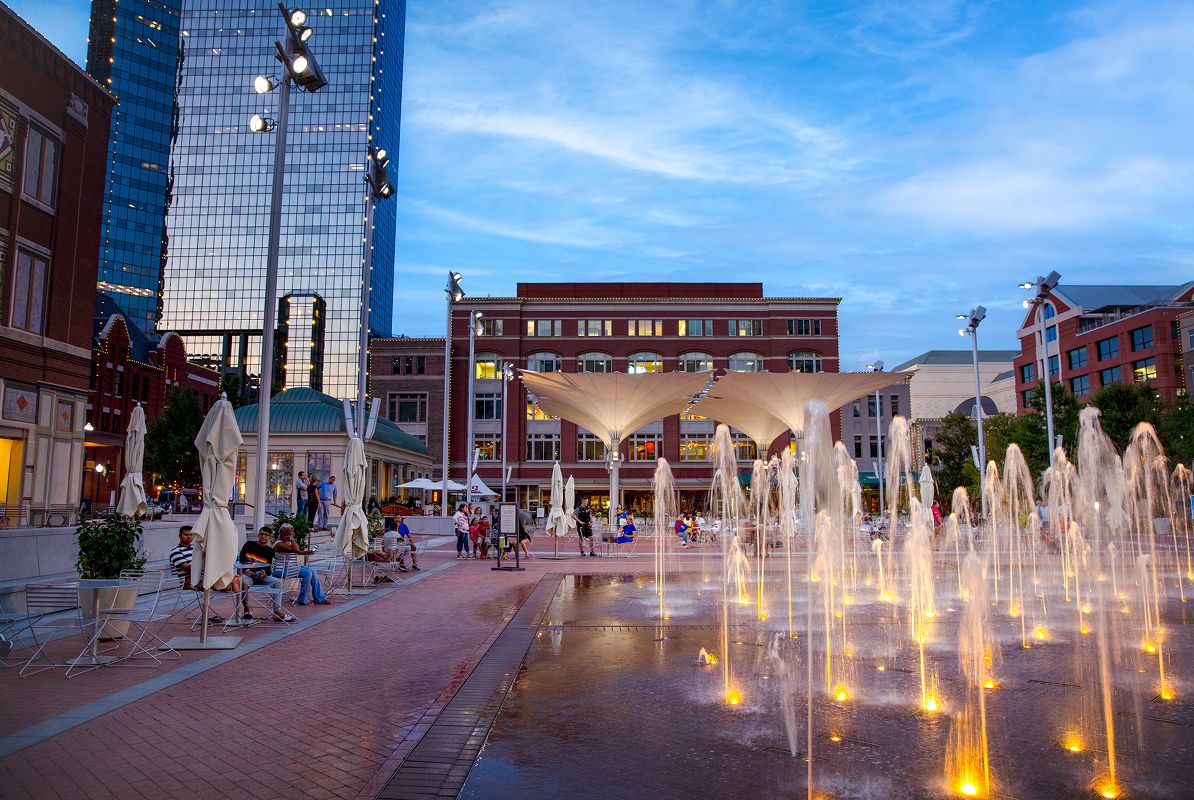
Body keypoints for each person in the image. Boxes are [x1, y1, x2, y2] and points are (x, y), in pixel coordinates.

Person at [238, 527, 293, 622]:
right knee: (243, 582)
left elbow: (268, 569)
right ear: (258, 535)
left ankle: (277, 611)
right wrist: (246, 570)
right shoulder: (249, 545)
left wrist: (264, 574)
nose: (263, 536)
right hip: (248, 575)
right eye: (261, 534)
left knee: (277, 582)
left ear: (270, 537)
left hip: (261, 576)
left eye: (266, 535)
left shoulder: (270, 551)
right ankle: (247, 608)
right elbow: (241, 560)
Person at [273, 523, 328, 605]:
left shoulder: (287, 542)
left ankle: (319, 598)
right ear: (282, 533)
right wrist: (291, 539)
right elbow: (296, 550)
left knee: (313, 571)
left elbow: (297, 551)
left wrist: (305, 552)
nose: (291, 535)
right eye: (289, 533)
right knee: (307, 573)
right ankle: (302, 599)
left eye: (291, 533)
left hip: (291, 567)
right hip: (281, 569)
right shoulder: (279, 544)